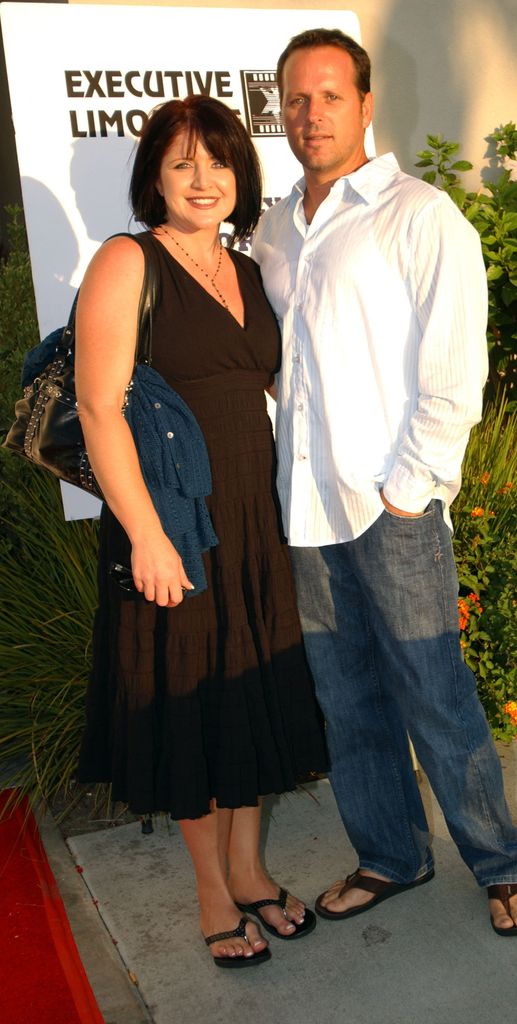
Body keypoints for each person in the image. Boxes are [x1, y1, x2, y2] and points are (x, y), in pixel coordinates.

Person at [251, 28, 517, 937]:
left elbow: (458, 368)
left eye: (331, 95)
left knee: (433, 688)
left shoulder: (419, 215)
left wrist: (411, 487)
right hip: (307, 507)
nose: (312, 115)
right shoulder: (270, 229)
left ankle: (499, 863)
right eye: (296, 99)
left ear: (367, 104)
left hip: (391, 504)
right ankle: (391, 854)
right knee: (348, 699)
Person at [75, 94, 328, 968]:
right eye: (181, 163)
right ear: (154, 176)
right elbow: (99, 410)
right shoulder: (126, 261)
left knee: (248, 687)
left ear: (239, 175)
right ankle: (213, 895)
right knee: (190, 700)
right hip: (174, 520)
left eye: (217, 162)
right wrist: (147, 535)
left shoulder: (249, 266)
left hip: (254, 518)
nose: (202, 179)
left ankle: (252, 870)